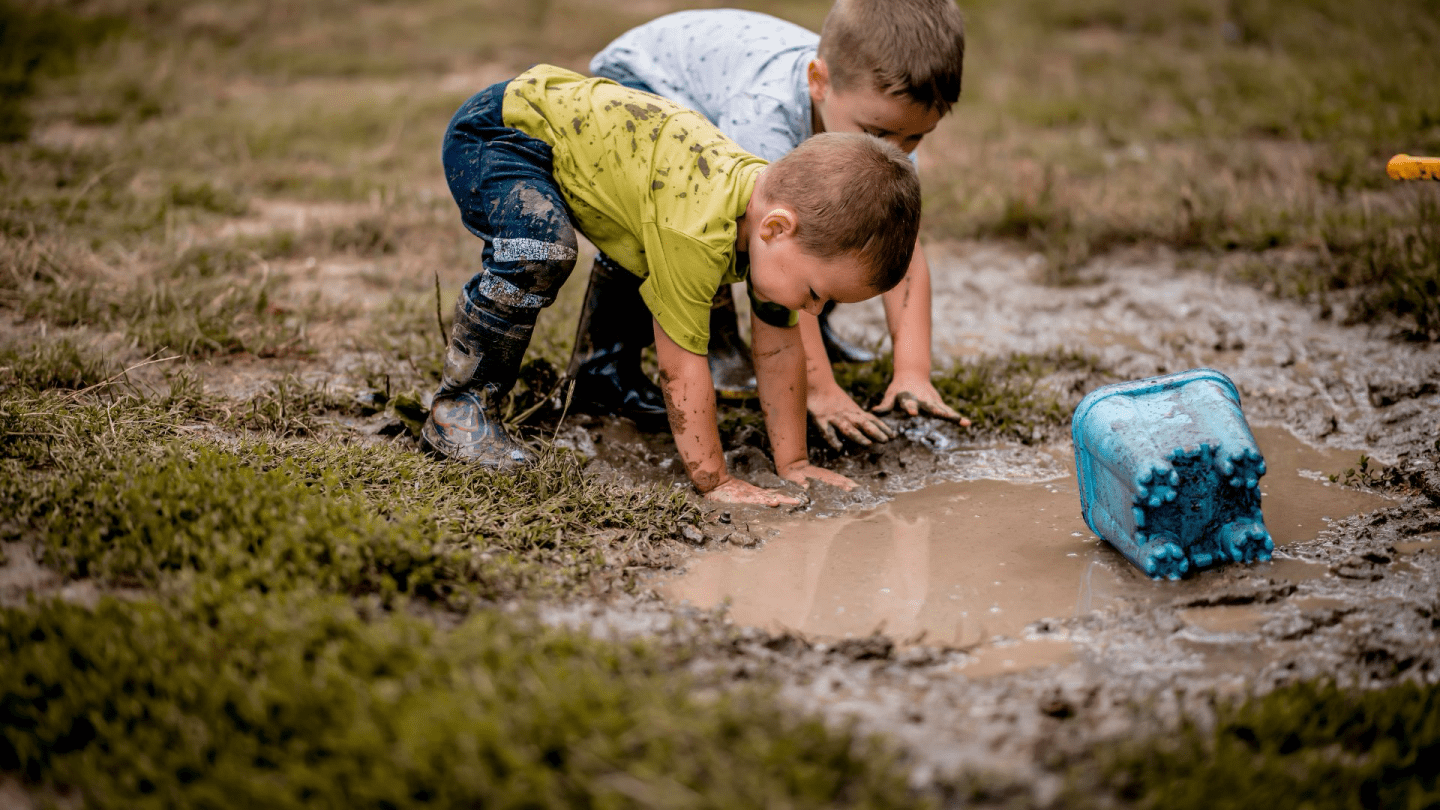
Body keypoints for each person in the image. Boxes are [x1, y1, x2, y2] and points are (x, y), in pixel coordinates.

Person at [423, 64, 921, 506]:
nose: (814, 310)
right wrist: (714, 480)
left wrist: (793, 466)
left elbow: (777, 350)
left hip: (577, 149)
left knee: (643, 251)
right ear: (775, 228)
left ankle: (601, 380)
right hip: (503, 133)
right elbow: (680, 366)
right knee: (542, 247)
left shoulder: (768, 224)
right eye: (818, 293)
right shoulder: (697, 231)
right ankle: (458, 407)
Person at [572, 0, 971, 449]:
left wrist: (912, 372)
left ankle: (813, 335)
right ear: (819, 82)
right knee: (691, 223)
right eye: (878, 135)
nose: (897, 150)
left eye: (915, 137)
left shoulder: (880, 128)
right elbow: (778, 249)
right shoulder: (767, 112)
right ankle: (612, 367)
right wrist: (817, 390)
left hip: (710, 89)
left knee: (848, 223)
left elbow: (901, 248)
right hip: (644, 87)